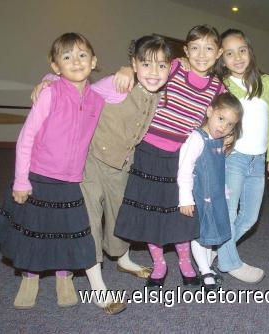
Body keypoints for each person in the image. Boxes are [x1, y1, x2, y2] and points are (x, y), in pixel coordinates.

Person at [30, 35, 173, 314]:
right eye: (145, 64)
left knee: (122, 216)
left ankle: (123, 258)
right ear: (133, 64)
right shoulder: (118, 83)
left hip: (121, 165)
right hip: (91, 163)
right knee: (91, 221)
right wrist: (49, 79)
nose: (154, 72)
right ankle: (98, 287)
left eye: (162, 66)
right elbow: (77, 85)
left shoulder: (159, 92)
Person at [113, 25, 225, 287]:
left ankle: (185, 261)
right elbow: (147, 67)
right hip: (148, 151)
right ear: (185, 50)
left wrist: (228, 136)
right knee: (151, 211)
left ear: (218, 53)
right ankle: (159, 263)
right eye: (194, 47)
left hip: (182, 158)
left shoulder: (218, 88)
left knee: (180, 212)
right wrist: (127, 69)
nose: (201, 54)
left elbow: (221, 119)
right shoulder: (173, 67)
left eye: (209, 48)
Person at [0, 33, 103, 310]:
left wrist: (128, 71)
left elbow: (119, 87)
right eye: (66, 57)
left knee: (69, 231)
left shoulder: (97, 99)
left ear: (94, 61)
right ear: (56, 67)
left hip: (71, 179)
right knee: (36, 229)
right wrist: (21, 179)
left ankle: (64, 276)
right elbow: (26, 137)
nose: (76, 61)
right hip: (39, 174)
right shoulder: (50, 92)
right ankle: (30, 277)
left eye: (82, 55)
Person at [212, 29, 269, 283]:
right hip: (234, 158)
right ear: (222, 59)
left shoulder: (267, 82)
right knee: (228, 214)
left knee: (250, 217)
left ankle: (216, 249)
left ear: (250, 51)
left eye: (242, 50)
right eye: (229, 53)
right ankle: (230, 262)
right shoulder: (222, 85)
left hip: (258, 160)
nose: (237, 57)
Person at [178, 93, 243, 289]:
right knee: (201, 235)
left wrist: (223, 192)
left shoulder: (218, 141)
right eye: (221, 119)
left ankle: (206, 266)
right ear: (209, 112)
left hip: (215, 197)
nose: (223, 127)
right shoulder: (197, 139)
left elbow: (217, 169)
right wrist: (185, 198)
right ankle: (205, 271)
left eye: (230, 124)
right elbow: (185, 169)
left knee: (211, 236)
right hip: (200, 198)